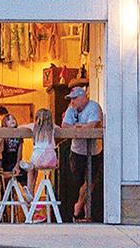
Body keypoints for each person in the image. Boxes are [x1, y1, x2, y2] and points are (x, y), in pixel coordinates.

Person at [61, 87, 103, 221]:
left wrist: (76, 127)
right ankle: (76, 210)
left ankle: (81, 207)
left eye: (74, 98)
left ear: (83, 97)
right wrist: (80, 127)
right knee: (75, 181)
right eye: (71, 99)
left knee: (90, 181)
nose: (72, 102)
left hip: (94, 150)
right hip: (77, 150)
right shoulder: (71, 109)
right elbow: (64, 125)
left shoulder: (93, 107)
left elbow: (91, 126)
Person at [18, 108, 59, 197]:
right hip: (51, 160)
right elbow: (60, 129)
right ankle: (31, 191)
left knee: (32, 169)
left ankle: (30, 189)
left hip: (38, 158)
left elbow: (20, 128)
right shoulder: (53, 127)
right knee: (35, 168)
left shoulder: (34, 127)